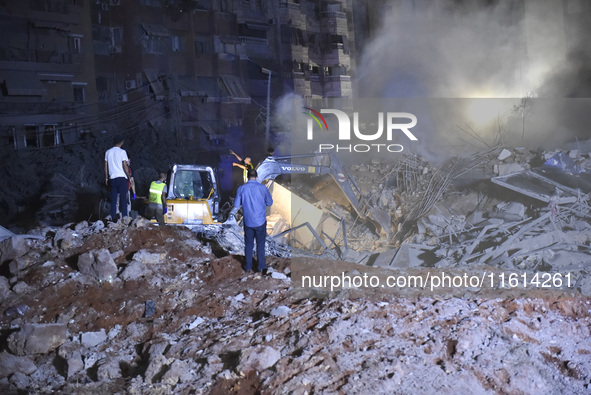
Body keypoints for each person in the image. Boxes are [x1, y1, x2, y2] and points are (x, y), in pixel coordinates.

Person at [229, 168, 273, 273]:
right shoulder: (263, 188)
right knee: (260, 244)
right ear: (257, 177)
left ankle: (248, 267)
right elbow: (270, 203)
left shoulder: (242, 188)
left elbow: (236, 205)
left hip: (248, 222)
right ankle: (261, 266)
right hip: (260, 221)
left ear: (247, 177)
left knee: (248, 245)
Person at [104, 135, 131, 220]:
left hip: (112, 178)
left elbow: (106, 167)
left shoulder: (108, 152)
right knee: (123, 199)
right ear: (121, 142)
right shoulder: (122, 152)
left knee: (113, 200)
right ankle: (125, 217)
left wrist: (106, 178)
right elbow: (125, 165)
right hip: (121, 177)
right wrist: (128, 176)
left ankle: (113, 218)